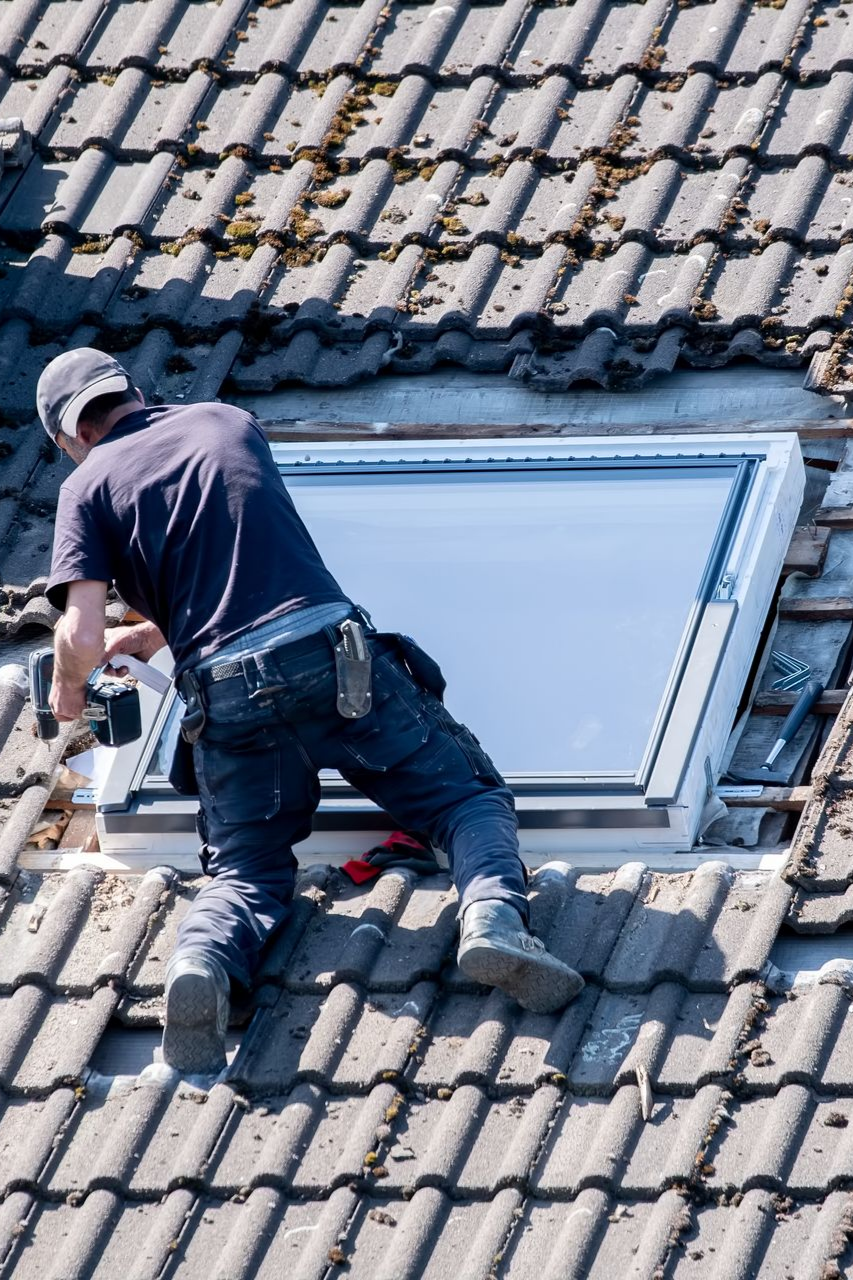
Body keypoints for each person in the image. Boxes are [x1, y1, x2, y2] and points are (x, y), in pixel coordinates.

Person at [38, 348, 584, 1074]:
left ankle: (201, 960)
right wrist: (151, 630)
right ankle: (490, 917)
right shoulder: (227, 423)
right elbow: (243, 559)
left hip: (225, 693)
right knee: (463, 798)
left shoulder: (84, 488)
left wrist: (68, 689)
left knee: (245, 869)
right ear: (136, 392)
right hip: (331, 659)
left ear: (66, 438)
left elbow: (79, 635)